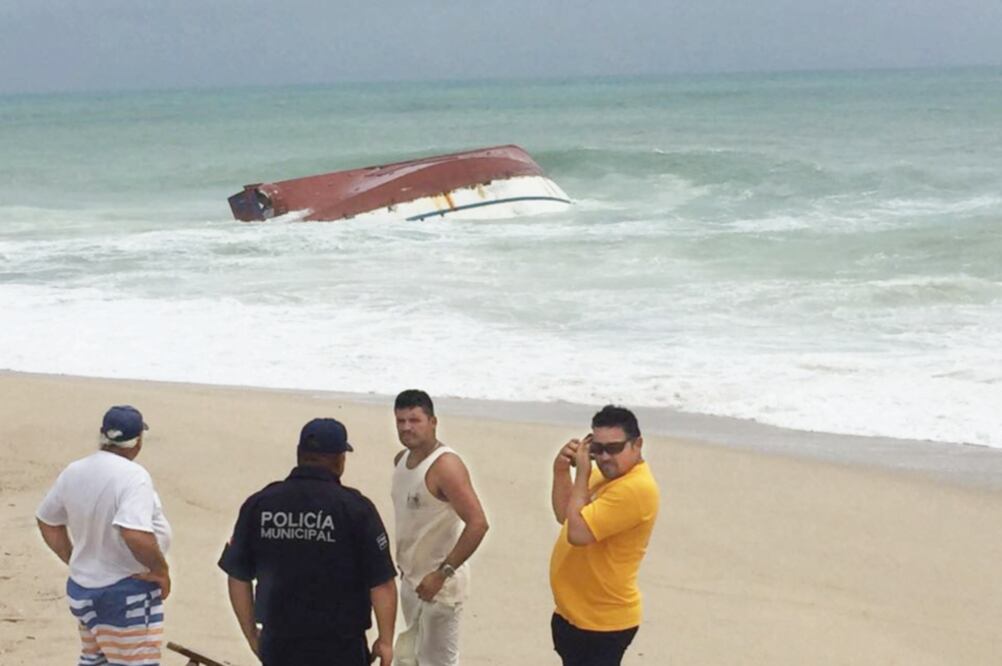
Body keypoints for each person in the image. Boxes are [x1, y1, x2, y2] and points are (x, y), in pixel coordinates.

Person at [218, 417, 397, 666]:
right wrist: (385, 640)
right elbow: (382, 583)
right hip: (340, 644)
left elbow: (237, 576)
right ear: (339, 459)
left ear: (299, 454)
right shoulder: (355, 509)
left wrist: (251, 634)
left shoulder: (260, 504)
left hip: (279, 641)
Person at [36, 404, 172, 666]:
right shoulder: (134, 477)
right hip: (124, 591)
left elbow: (47, 521)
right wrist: (160, 570)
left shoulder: (76, 470)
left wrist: (75, 559)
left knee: (95, 659)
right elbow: (134, 533)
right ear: (137, 441)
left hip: (83, 588)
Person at [549, 405, 660, 666]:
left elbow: (577, 533)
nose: (606, 457)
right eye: (598, 449)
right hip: (575, 614)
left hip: (603, 622)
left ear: (637, 444)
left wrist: (583, 474)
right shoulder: (608, 476)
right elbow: (566, 516)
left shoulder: (635, 489)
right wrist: (561, 471)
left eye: (614, 448)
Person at [390, 389, 489, 666]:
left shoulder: (446, 466)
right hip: (411, 581)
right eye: (400, 421)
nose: (406, 427)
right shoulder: (401, 460)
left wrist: (442, 573)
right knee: (412, 658)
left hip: (441, 587)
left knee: (439, 662)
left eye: (414, 420)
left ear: (433, 422)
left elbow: (478, 523)